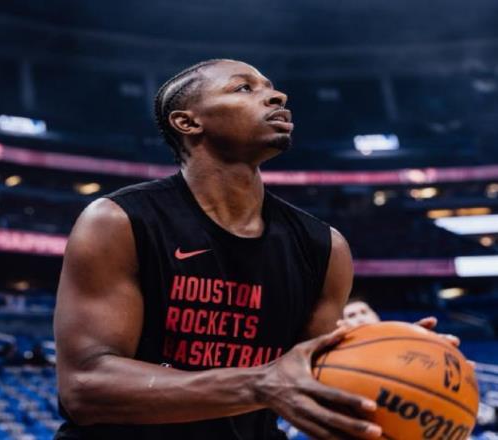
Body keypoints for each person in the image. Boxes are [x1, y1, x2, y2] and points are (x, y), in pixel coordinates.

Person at [53, 59, 442, 440]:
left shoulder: (324, 247)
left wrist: (398, 363)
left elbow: (313, 388)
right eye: (244, 87)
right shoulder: (119, 221)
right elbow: (85, 387)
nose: (277, 96)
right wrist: (258, 383)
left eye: (272, 88)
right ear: (187, 122)